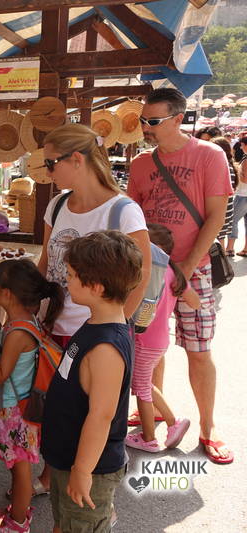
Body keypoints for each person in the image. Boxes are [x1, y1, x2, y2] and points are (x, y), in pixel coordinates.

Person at [34, 123, 151, 493]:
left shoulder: (123, 211)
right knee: (59, 407)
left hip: (95, 335)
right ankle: (53, 474)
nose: (47, 172)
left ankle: (93, 488)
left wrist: (115, 327)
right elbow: (46, 262)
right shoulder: (56, 205)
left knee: (94, 412)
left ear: (76, 159)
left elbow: (141, 275)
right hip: (55, 327)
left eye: (50, 163)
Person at [127, 87, 234, 465]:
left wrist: (186, 268)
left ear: (177, 119)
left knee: (198, 350)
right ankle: (152, 409)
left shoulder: (209, 155)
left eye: (153, 121)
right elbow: (134, 217)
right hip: (150, 271)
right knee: (149, 345)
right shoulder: (140, 163)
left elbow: (217, 217)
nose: (146, 127)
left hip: (196, 268)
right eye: (143, 120)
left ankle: (208, 426)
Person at [41, 231, 141, 533]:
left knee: (80, 524)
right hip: (69, 458)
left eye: (72, 275)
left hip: (89, 468)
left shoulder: (106, 348)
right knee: (65, 522)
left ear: (96, 287)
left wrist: (83, 471)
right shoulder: (97, 322)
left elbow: (101, 416)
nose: (66, 280)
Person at [0, 260, 63, 533]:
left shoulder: (17, 332)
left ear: (7, 293)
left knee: (20, 469)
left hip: (16, 412)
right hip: (19, 406)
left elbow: (0, 375)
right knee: (15, 464)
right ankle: (17, 510)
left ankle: (19, 522)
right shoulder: (22, 320)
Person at [125, 224, 199, 453]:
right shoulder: (173, 273)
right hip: (159, 341)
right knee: (144, 384)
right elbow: (195, 302)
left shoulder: (147, 275)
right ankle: (172, 422)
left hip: (144, 340)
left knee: (141, 388)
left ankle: (150, 437)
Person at [210, 137, 236, 248]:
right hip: (225, 210)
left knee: (217, 241)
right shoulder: (228, 165)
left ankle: (221, 258)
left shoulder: (223, 166)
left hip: (221, 211)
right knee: (220, 239)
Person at [226, 135, 247, 257]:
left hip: (243, 195)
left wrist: (238, 172)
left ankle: (230, 248)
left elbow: (245, 180)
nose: (241, 147)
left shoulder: (246, 160)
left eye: (242, 145)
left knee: (232, 220)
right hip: (244, 195)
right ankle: (245, 249)